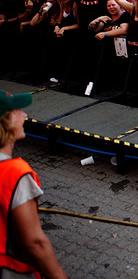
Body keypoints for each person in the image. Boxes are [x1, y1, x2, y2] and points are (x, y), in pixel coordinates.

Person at [1, 91, 67, 279]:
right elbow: (35, 243)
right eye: (18, 111)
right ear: (5, 122)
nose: (25, 115)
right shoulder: (15, 174)